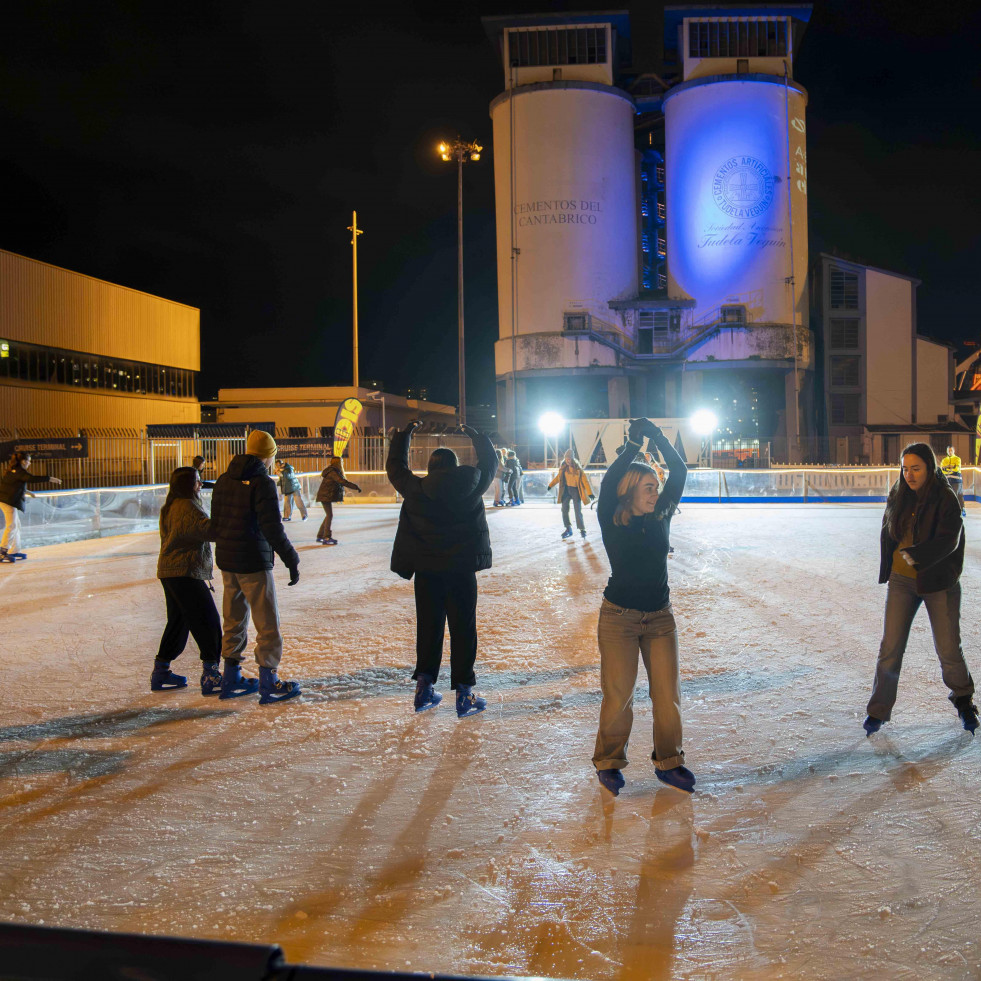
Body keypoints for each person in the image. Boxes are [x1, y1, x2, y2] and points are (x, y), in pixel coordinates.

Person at [593, 417, 693, 796]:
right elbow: (606, 483)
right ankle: (609, 761)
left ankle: (670, 761)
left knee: (667, 695)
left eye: (656, 487)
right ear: (631, 490)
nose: (655, 492)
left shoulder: (661, 513)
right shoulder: (611, 517)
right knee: (619, 697)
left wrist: (660, 438)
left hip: (660, 619)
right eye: (648, 487)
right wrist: (636, 444)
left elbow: (679, 470)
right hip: (618, 618)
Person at [864, 442, 977, 736]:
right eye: (905, 469)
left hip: (938, 582)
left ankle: (964, 701)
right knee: (890, 648)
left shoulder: (945, 498)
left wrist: (919, 555)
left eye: (916, 469)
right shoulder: (898, 495)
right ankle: (877, 712)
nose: (909, 475)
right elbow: (888, 529)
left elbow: (950, 539)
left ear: (929, 467)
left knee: (948, 648)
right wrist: (890, 564)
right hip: (902, 582)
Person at [386, 421, 496, 717]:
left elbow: (395, 468)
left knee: (429, 629)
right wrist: (477, 433)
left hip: (427, 573)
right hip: (461, 573)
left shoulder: (416, 490)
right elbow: (490, 463)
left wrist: (404, 434)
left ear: (431, 468)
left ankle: (423, 690)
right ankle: (464, 695)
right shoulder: (473, 484)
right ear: (456, 466)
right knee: (464, 630)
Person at [210, 429, 302, 705]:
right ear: (268, 456)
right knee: (267, 624)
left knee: (233, 618)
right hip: (252, 562)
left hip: (228, 562)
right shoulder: (262, 483)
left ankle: (231, 676)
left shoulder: (224, 479)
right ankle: (269, 681)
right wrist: (291, 559)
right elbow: (272, 527)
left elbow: (215, 524)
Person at [152, 467, 223, 695]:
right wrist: (224, 510)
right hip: (184, 572)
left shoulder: (172, 505)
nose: (201, 485)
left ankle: (161, 671)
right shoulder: (187, 506)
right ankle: (211, 674)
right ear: (187, 485)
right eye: (198, 482)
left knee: (178, 623)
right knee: (208, 621)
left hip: (170, 571)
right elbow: (210, 531)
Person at [0, 451, 62, 562]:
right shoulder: (20, 472)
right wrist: (50, 478)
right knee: (12, 526)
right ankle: (2, 551)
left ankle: (14, 550)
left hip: (7, 500)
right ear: (23, 461)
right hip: (8, 501)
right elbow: (32, 478)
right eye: (29, 461)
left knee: (16, 525)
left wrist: (28, 492)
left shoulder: (12, 471)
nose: (30, 463)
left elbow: (14, 485)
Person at [315, 456, 361, 544]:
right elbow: (342, 481)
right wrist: (355, 487)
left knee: (328, 515)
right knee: (329, 515)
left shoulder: (333, 471)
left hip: (325, 495)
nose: (343, 463)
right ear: (338, 463)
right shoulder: (333, 472)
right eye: (342, 462)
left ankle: (320, 535)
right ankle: (327, 537)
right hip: (325, 495)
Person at [548, 449, 593, 539]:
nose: (568, 461)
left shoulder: (578, 469)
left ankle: (582, 529)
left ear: (572, 459)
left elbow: (585, 481)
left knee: (577, 511)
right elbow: (558, 478)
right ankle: (568, 528)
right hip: (566, 491)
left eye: (569, 459)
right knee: (564, 510)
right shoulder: (563, 468)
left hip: (576, 491)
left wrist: (590, 493)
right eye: (566, 459)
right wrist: (550, 485)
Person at [940, 445, 965, 516]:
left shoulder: (957, 459)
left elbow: (956, 468)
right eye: (948, 450)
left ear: (954, 451)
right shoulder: (944, 460)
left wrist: (947, 468)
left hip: (957, 480)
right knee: (948, 495)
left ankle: (962, 509)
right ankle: (951, 510)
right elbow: (943, 470)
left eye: (951, 450)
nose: (950, 452)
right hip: (948, 480)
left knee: (958, 495)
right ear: (947, 451)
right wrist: (951, 467)